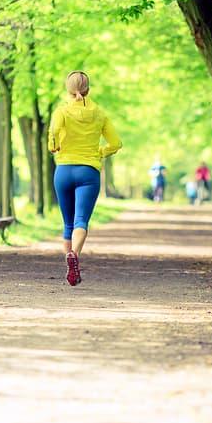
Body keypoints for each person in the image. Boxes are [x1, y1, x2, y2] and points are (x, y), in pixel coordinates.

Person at [48, 70, 122, 286]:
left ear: (68, 90)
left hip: (63, 171)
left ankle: (70, 266)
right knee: (81, 221)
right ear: (88, 90)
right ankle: (75, 256)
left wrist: (53, 146)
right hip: (88, 172)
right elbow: (116, 143)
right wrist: (100, 152)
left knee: (67, 223)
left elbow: (53, 132)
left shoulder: (60, 111)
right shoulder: (100, 114)